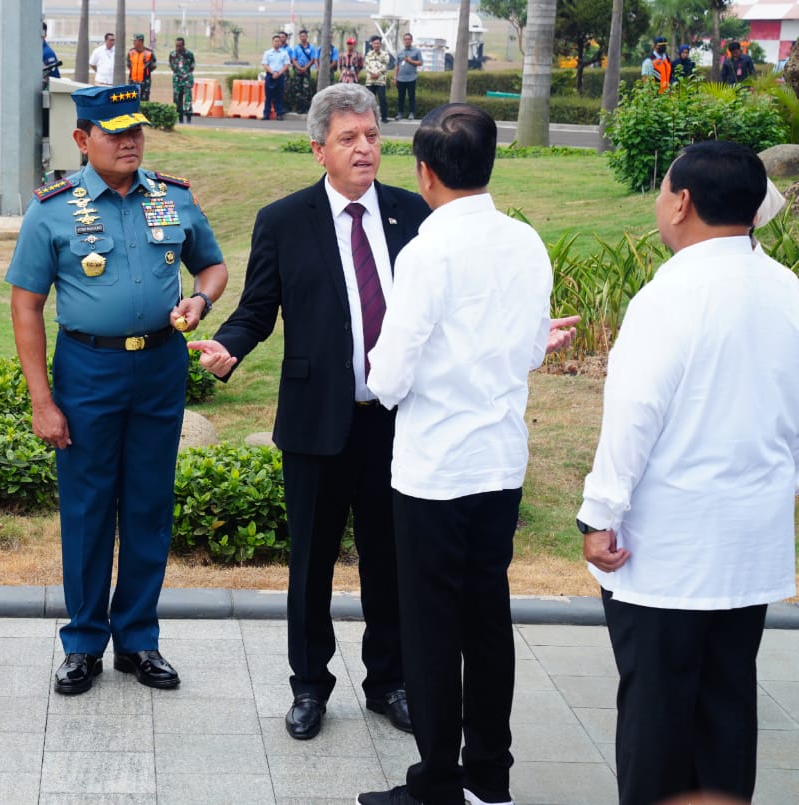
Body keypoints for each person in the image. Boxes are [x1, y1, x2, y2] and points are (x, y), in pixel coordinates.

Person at [188, 84, 424, 742]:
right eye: (349, 139)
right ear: (319, 149)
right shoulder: (284, 220)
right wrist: (230, 347)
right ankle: (310, 685)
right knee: (312, 563)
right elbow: (258, 308)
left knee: (389, 560)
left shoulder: (412, 215)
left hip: (397, 423)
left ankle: (390, 682)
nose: (365, 148)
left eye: (373, 136)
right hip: (318, 422)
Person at [578, 141, 799, 805]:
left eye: (662, 188)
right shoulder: (787, 288)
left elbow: (634, 417)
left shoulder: (670, 294)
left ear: (682, 201)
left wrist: (599, 514)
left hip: (669, 550)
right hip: (749, 543)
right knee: (727, 705)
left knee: (656, 717)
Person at [356, 103, 553, 805]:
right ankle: (489, 779)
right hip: (500, 464)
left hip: (436, 470)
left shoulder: (427, 252)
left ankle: (437, 779)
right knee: (487, 619)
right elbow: (533, 349)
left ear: (426, 173)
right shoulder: (525, 242)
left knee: (434, 630)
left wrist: (381, 370)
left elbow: (387, 378)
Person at [6, 84, 228, 697]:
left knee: (150, 505)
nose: (130, 141)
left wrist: (200, 299)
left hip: (159, 369)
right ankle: (82, 643)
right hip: (88, 370)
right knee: (87, 508)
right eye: (114, 132)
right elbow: (26, 307)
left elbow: (212, 265)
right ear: (82, 140)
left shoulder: (173, 198)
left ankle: (138, 639)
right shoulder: (52, 209)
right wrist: (42, 399)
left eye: (136, 130)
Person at [364, 35, 395, 123]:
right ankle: (369, 118)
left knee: (382, 99)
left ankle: (384, 117)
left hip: (380, 80)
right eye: (374, 43)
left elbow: (386, 65)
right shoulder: (369, 54)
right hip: (370, 80)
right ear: (372, 44)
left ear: (380, 44)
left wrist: (377, 73)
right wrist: (372, 73)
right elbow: (367, 65)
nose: (376, 45)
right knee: (369, 100)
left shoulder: (385, 54)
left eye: (378, 43)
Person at [289, 29, 319, 114]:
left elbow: (313, 59)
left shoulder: (311, 48)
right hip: (298, 70)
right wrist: (299, 67)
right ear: (299, 37)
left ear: (307, 36)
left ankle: (306, 108)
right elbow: (293, 59)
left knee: (306, 89)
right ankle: (299, 108)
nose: (303, 38)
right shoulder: (296, 48)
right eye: (301, 36)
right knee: (298, 89)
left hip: (306, 70)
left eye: (304, 36)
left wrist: (305, 68)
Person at [262, 33, 290, 121]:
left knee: (279, 96)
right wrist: (272, 72)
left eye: (278, 41)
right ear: (272, 42)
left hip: (280, 76)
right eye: (275, 41)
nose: (277, 43)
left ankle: (279, 114)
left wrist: (278, 73)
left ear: (280, 43)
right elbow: (265, 64)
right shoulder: (267, 53)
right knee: (268, 96)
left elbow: (286, 65)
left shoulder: (284, 53)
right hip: (270, 76)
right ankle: (266, 114)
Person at [395, 32, 422, 121]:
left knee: (411, 97)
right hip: (400, 78)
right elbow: (396, 66)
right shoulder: (400, 52)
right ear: (403, 41)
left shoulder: (416, 51)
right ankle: (400, 113)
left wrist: (410, 61)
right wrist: (395, 77)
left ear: (411, 40)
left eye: (409, 39)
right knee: (400, 97)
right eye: (405, 39)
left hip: (411, 78)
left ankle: (411, 113)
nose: (407, 41)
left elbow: (420, 62)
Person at [169, 37, 196, 124]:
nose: (178, 48)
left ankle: (188, 119)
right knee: (177, 100)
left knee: (187, 99)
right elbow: (171, 65)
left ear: (183, 45)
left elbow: (192, 66)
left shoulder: (189, 54)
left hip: (187, 79)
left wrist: (185, 74)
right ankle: (180, 119)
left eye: (179, 46)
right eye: (176, 46)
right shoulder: (172, 54)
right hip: (177, 80)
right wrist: (178, 73)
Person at [127, 34, 157, 101]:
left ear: (140, 41)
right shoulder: (131, 52)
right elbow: (129, 65)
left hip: (145, 81)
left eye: (135, 41)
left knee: (144, 100)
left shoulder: (149, 53)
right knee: (132, 100)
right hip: (133, 81)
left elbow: (154, 66)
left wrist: (145, 72)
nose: (133, 42)